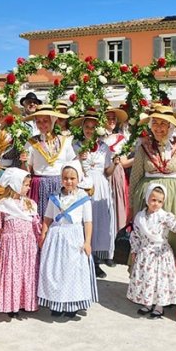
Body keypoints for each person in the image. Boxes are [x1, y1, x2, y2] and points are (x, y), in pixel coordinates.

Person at [128, 104, 176, 251]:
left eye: (163, 123)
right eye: (155, 123)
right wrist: (131, 206)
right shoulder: (143, 147)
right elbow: (135, 177)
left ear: (170, 126)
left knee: (172, 236)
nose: (159, 128)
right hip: (147, 199)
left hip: (173, 200)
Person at [37, 162, 97, 319]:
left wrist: (87, 241)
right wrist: (43, 234)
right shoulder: (55, 197)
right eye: (65, 178)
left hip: (74, 236)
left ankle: (71, 304)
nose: (68, 181)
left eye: (72, 178)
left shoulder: (83, 198)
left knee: (72, 271)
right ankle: (56, 303)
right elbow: (48, 217)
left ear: (78, 179)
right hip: (57, 236)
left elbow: (88, 222)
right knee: (56, 270)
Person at [127, 183, 176, 319]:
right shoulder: (140, 217)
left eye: (160, 201)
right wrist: (135, 250)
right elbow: (135, 235)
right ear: (147, 199)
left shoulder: (165, 216)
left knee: (160, 279)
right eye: (153, 200)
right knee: (147, 278)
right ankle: (147, 303)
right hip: (145, 252)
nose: (156, 204)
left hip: (161, 252)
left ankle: (159, 306)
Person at [0, 168, 41, 318]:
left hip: (28, 244)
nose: (29, 187)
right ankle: (11, 304)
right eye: (25, 184)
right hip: (11, 245)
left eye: (28, 184)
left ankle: (25, 302)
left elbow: (36, 223)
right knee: (12, 273)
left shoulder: (30, 204)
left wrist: (39, 239)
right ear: (15, 184)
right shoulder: (4, 204)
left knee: (27, 272)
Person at [73, 110, 116, 277]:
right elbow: (71, 168)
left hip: (100, 185)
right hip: (83, 183)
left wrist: (116, 163)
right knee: (82, 220)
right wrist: (79, 158)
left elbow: (108, 170)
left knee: (98, 223)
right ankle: (81, 258)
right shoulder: (76, 145)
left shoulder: (104, 148)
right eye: (87, 126)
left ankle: (96, 260)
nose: (89, 130)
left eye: (93, 127)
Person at [22, 104, 77, 219]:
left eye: (45, 121)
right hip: (39, 184)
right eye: (39, 121)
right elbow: (27, 170)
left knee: (59, 216)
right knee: (40, 217)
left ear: (53, 121)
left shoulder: (64, 141)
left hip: (59, 183)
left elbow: (72, 165)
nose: (42, 125)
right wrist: (23, 162)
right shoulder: (32, 143)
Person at [103, 108, 131, 236]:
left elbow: (124, 163)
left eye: (113, 118)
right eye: (108, 118)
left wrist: (140, 158)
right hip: (100, 173)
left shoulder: (120, 138)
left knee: (115, 203)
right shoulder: (97, 138)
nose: (111, 121)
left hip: (115, 174)